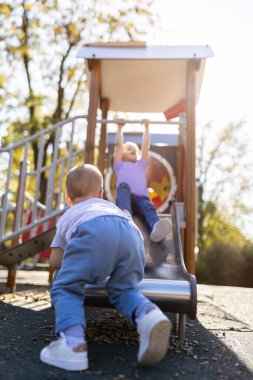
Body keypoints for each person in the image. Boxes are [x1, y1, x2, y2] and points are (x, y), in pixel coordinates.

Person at [40, 164, 171, 371]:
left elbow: (55, 261)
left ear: (68, 198)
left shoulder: (70, 214)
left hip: (93, 231)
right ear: (101, 194)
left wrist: (82, 265)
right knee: (124, 289)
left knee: (65, 287)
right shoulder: (111, 207)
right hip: (132, 234)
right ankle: (149, 316)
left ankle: (72, 345)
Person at [114, 120, 172, 243]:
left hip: (141, 199)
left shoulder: (141, 164)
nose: (133, 150)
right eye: (129, 148)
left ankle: (155, 227)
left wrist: (147, 127)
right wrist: (120, 128)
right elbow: (119, 145)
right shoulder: (119, 165)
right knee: (123, 187)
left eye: (135, 150)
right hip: (125, 199)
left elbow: (146, 147)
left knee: (149, 207)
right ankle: (125, 214)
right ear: (122, 154)